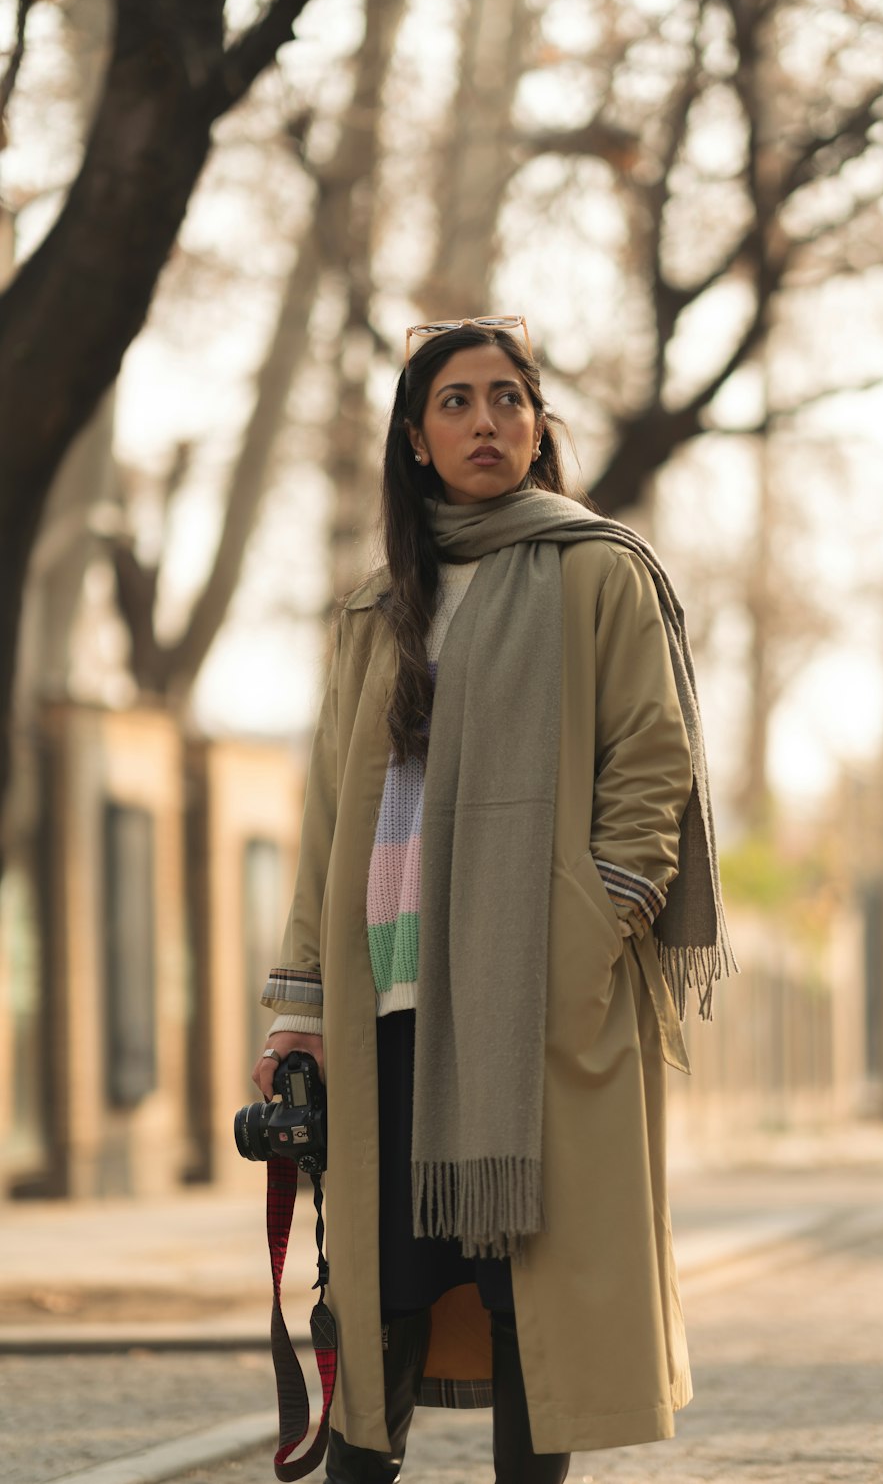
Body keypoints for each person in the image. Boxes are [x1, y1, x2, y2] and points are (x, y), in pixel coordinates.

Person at [252, 314, 735, 1483]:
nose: (487, 420)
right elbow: (325, 819)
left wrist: (586, 924)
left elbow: (651, 761)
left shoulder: (597, 570)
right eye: (458, 401)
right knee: (381, 1298)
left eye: (510, 397)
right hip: (390, 1004)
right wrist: (295, 1008)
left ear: (538, 426)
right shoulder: (376, 611)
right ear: (416, 438)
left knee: (534, 1300)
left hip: (535, 999)